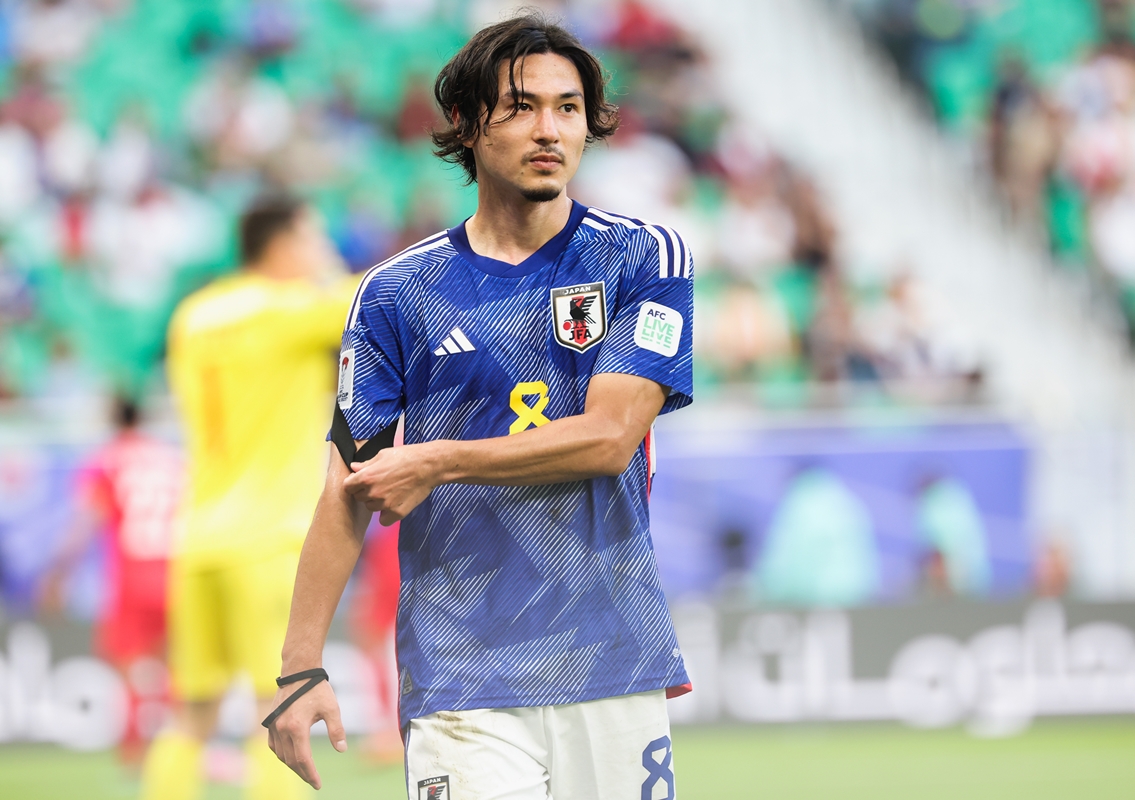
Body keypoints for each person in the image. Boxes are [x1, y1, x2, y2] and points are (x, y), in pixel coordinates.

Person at [265, 13, 695, 799]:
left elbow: (609, 438)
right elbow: (348, 483)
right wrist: (300, 666)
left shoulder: (643, 257)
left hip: (611, 659)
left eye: (568, 108)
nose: (549, 129)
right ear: (466, 123)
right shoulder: (396, 293)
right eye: (521, 106)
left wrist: (437, 461)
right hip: (460, 673)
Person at [139, 195, 356, 800]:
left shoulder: (195, 314)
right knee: (279, 705)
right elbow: (376, 296)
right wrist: (332, 269)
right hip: (266, 537)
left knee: (192, 715)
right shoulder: (288, 309)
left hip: (198, 536)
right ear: (284, 244)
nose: (322, 251)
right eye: (315, 238)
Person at [41, 396, 182, 765]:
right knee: (171, 663)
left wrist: (58, 574)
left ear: (111, 420)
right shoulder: (170, 458)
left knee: (126, 664)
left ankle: (135, 753)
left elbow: (86, 520)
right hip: (177, 572)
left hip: (133, 577)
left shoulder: (107, 459)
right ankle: (181, 745)